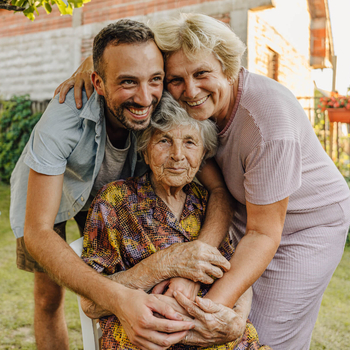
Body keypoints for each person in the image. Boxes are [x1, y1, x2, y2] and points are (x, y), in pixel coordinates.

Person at [57, 13, 350, 350]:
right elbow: (131, 49)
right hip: (250, 209)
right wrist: (89, 67)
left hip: (305, 225)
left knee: (262, 332)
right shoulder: (195, 114)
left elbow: (263, 233)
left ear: (227, 68)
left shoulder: (270, 125)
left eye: (201, 74)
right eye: (176, 79)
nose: (190, 91)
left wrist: (210, 312)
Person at [10, 19, 247, 350]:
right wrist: (118, 298)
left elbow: (218, 190)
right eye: (126, 82)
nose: (144, 96)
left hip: (113, 194)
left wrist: (196, 257)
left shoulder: (159, 98)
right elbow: (38, 232)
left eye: (154, 80)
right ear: (99, 83)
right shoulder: (62, 121)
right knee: (49, 297)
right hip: (53, 194)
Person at [80, 92, 270, 350]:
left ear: (203, 156)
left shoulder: (206, 205)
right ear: (145, 151)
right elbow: (91, 303)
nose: (178, 154)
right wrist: (160, 266)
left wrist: (237, 320)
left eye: (190, 142)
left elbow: (235, 272)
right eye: (164, 141)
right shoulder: (115, 202)